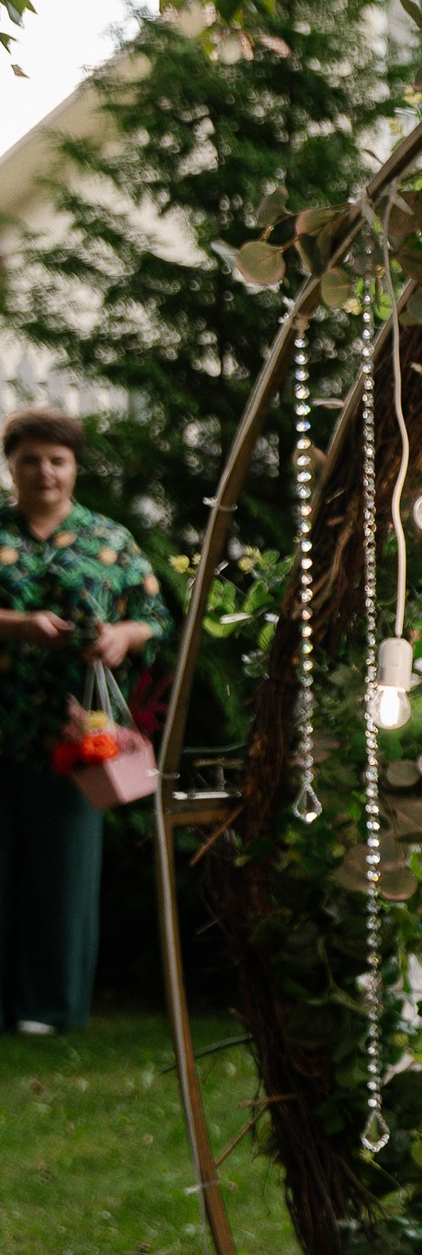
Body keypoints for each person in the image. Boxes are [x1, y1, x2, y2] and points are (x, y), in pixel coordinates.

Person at [0, 407, 169, 1036]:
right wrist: (17, 626)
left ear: (74, 467)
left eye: (57, 459)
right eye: (30, 458)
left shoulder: (110, 539)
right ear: (12, 465)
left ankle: (46, 1009)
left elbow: (154, 618)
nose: (44, 471)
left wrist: (121, 637)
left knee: (62, 877)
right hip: (3, 722)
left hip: (77, 735)